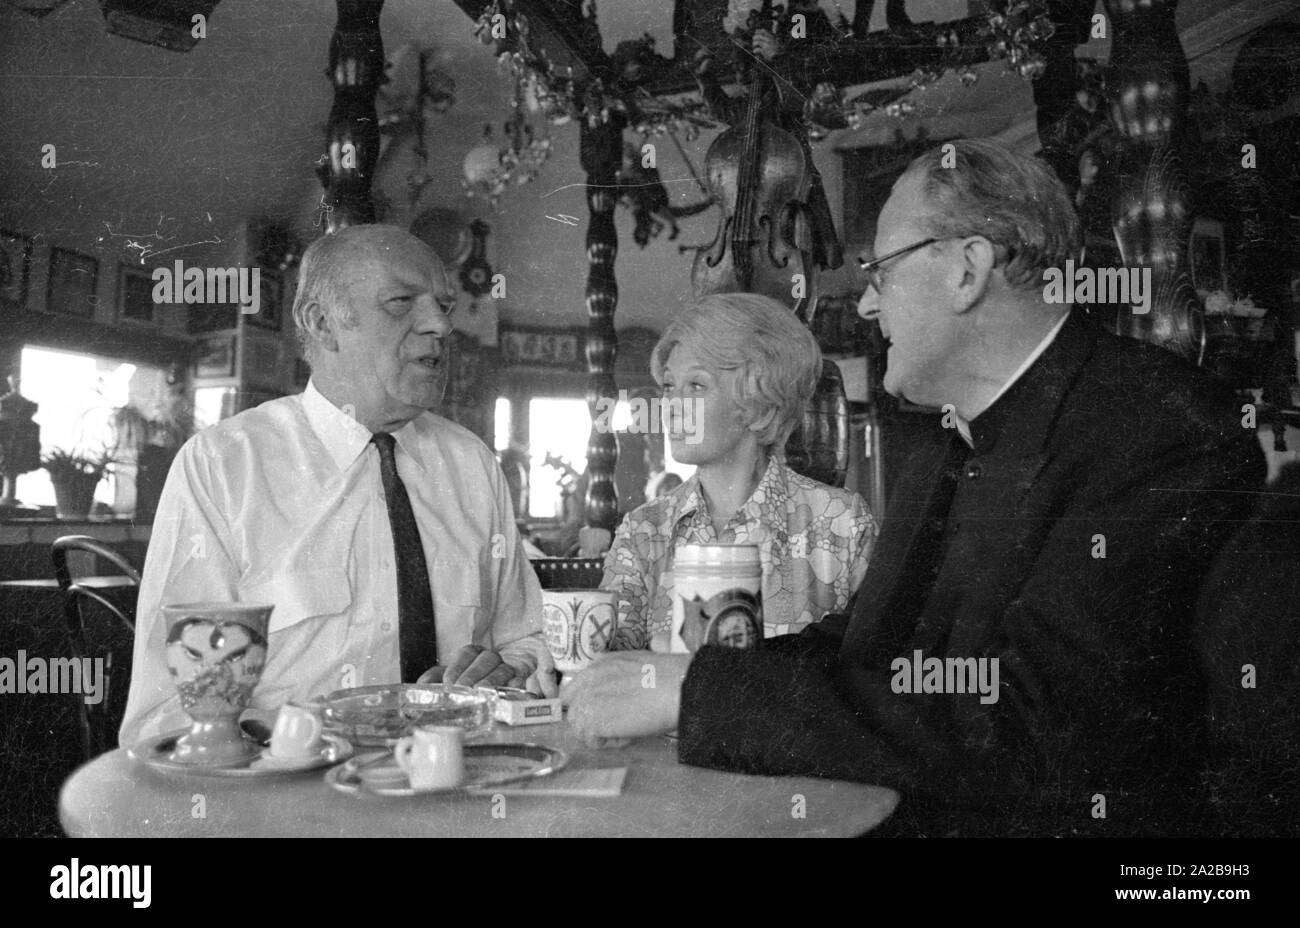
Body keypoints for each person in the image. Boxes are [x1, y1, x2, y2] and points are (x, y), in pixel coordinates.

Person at [566, 139, 1265, 836]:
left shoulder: (1158, 430)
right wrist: (671, 676)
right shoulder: (944, 437)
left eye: (881, 271)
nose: (868, 304)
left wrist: (697, 690)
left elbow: (1044, 732)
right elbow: (859, 649)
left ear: (967, 270)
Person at [121, 225, 549, 745]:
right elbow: (167, 712)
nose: (439, 324)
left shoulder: (473, 465)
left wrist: (502, 674)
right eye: (400, 302)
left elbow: (526, 639)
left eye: (444, 305)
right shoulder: (224, 467)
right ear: (322, 324)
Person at [601, 292, 876, 650]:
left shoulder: (844, 526)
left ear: (759, 406)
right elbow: (608, 667)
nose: (670, 406)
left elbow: (870, 674)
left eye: (696, 386)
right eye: (669, 386)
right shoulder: (643, 531)